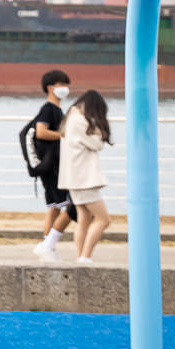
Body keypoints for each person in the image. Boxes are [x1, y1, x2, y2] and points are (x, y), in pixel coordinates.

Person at [58, 90, 112, 263]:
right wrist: (97, 127)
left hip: (73, 179)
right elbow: (97, 144)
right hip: (84, 179)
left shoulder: (70, 119)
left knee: (84, 219)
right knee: (104, 220)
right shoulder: (81, 122)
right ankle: (85, 256)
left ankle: (81, 256)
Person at [31, 70, 76, 262]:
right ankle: (46, 246)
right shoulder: (48, 109)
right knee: (59, 206)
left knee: (55, 207)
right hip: (52, 167)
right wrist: (65, 135)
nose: (66, 88)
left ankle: (48, 246)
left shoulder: (57, 109)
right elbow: (41, 132)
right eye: (62, 84)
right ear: (51, 88)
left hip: (55, 165)